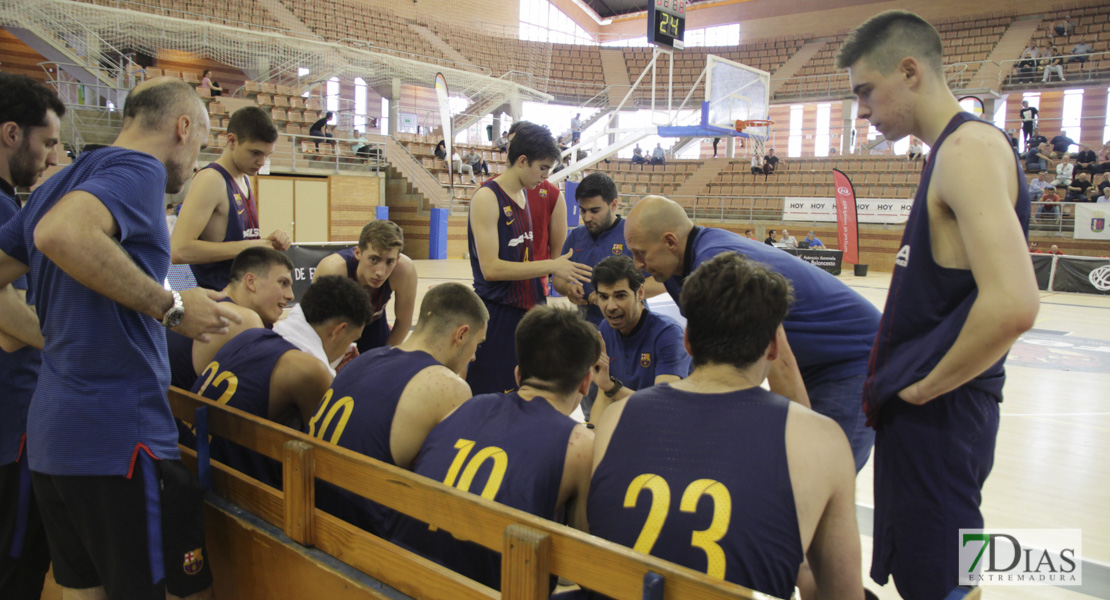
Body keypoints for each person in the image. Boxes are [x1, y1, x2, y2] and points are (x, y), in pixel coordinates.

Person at [0, 77, 237, 600]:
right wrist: (172, 307)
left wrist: (53, 334)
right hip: (115, 438)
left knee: (81, 589)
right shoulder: (139, 170)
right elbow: (60, 235)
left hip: (51, 437)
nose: (196, 161)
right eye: (200, 142)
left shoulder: (62, 179)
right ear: (181, 128)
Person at [838, 11, 1040, 599]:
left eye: (866, 92)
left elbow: (1015, 304)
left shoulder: (969, 150)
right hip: (936, 417)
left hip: (944, 415)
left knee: (944, 582)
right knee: (938, 574)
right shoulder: (951, 151)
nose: (864, 111)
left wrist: (925, 388)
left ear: (909, 71)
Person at [588, 253, 862, 599]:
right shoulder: (822, 439)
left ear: (688, 341)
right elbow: (841, 593)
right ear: (775, 347)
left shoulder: (616, 418)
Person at [625, 196, 882, 472]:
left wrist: (806, 444)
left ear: (670, 241)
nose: (637, 264)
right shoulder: (680, 265)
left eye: (641, 253)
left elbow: (779, 357)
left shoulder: (717, 266)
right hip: (815, 360)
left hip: (854, 361)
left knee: (816, 475)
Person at [390, 306, 598, 591]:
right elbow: (583, 566)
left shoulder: (464, 406)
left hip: (393, 574)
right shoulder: (580, 445)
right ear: (586, 382)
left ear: (517, 374)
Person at [311, 283, 487, 536]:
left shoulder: (367, 358)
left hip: (310, 505)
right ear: (461, 335)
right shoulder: (448, 386)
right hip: (359, 534)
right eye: (477, 344)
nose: (473, 358)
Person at [192, 274, 368, 488]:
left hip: (191, 462)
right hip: (225, 491)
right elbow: (336, 454)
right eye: (351, 340)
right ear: (339, 331)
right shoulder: (310, 370)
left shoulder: (252, 335)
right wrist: (341, 381)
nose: (349, 349)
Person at [466, 122, 590, 395]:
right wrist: (552, 265)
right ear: (522, 160)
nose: (546, 176)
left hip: (530, 309)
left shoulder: (523, 193)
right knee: (490, 396)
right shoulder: (487, 197)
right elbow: (490, 268)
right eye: (543, 167)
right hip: (497, 314)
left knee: (526, 393)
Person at [0, 72, 60, 600]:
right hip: (13, 420)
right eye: (45, 143)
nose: (48, 158)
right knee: (17, 563)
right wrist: (76, 342)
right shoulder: (3, 210)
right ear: (11, 134)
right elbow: (11, 324)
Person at [172, 105, 291, 291]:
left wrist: (268, 242)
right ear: (232, 141)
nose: (261, 162)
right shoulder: (211, 180)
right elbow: (179, 250)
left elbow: (238, 242)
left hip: (240, 298)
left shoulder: (244, 178)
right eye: (255, 153)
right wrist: (253, 246)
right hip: (216, 302)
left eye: (267, 155)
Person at [166, 247, 294, 390]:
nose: (291, 296)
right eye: (283, 283)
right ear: (251, 281)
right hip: (178, 410)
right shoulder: (243, 320)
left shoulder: (209, 305)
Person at [588, 255, 690, 423]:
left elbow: (663, 407)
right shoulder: (605, 329)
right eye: (604, 297)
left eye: (620, 296)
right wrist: (592, 436)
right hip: (633, 422)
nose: (611, 306)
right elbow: (604, 393)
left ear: (640, 293)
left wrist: (611, 387)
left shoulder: (669, 335)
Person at [313, 220, 417, 352]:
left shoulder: (404, 270)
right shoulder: (334, 269)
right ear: (358, 253)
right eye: (374, 259)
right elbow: (318, 323)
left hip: (374, 327)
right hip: (335, 330)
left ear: (397, 259)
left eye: (389, 261)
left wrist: (384, 357)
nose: (380, 272)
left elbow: (403, 322)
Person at [553, 172, 634, 328]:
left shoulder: (633, 235)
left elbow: (658, 283)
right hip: (588, 329)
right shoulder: (575, 237)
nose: (587, 217)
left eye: (594, 211)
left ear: (614, 205)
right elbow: (558, 279)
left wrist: (611, 296)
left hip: (627, 329)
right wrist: (568, 288)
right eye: (583, 210)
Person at [502, 121, 568, 299]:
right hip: (498, 293)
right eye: (512, 145)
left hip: (535, 291)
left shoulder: (553, 196)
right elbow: (488, 267)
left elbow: (557, 257)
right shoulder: (488, 194)